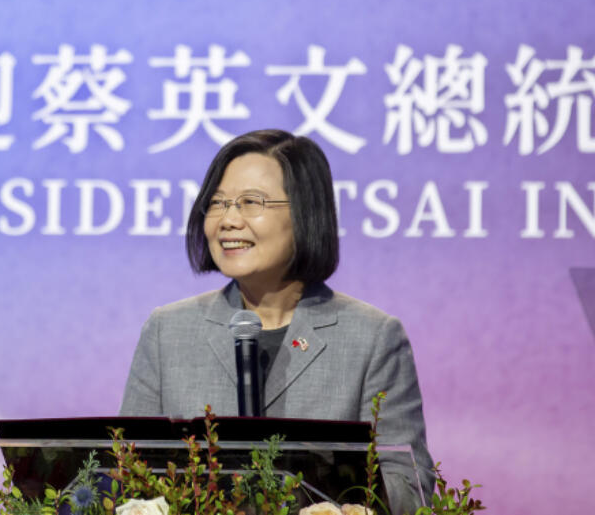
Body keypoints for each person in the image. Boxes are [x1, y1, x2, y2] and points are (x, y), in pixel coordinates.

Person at [120, 129, 434, 514]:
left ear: (304, 213)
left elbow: (409, 488)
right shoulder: (168, 331)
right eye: (217, 204)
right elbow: (125, 473)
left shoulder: (372, 338)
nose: (228, 220)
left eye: (251, 202)